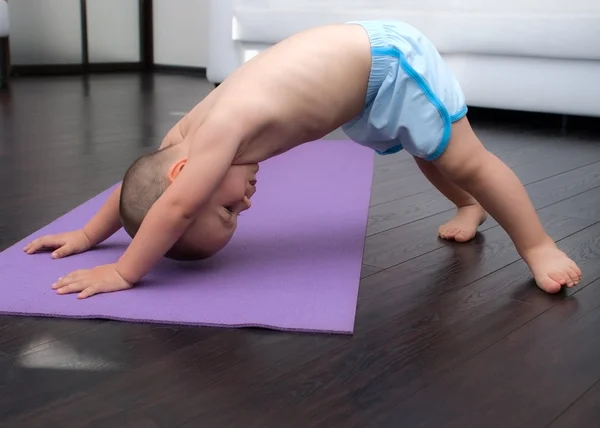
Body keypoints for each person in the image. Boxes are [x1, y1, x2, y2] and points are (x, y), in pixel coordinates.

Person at [24, 20, 581, 298]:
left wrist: (123, 269)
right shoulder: (178, 148)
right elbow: (142, 190)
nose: (245, 202)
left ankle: (536, 243)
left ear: (185, 179)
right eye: (237, 215)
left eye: (227, 211)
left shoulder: (215, 136)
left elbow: (169, 207)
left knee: (467, 158)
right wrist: (90, 233)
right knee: (427, 148)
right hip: (360, 85)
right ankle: (469, 208)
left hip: (388, 63)